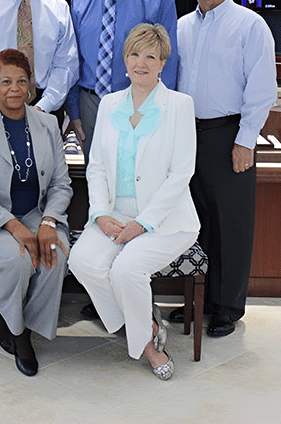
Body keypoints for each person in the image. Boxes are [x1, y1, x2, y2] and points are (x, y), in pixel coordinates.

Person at [69, 24, 199, 380]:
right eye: (134, 54)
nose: (141, 63)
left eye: (151, 56)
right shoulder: (110, 103)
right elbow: (95, 167)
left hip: (166, 220)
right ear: (125, 60)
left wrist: (143, 224)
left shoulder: (179, 105)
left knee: (127, 270)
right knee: (82, 261)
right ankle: (145, 328)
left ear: (162, 63)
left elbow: (181, 174)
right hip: (115, 214)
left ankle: (149, 348)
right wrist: (98, 213)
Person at [173, 0, 277, 337]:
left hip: (229, 135)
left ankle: (227, 307)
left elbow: (262, 90)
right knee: (193, 224)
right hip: (187, 136)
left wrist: (245, 141)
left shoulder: (250, 26)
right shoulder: (182, 26)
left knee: (230, 226)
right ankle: (197, 300)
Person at [0, 49, 73, 376]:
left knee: (56, 254)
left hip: (37, 212)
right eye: (6, 81)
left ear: (31, 86)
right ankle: (16, 332)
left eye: (22, 81)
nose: (14, 88)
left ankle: (24, 322)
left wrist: (48, 221)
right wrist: (14, 226)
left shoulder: (48, 124)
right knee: (18, 259)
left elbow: (62, 184)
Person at [67, 0, 179, 159]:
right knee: (95, 176)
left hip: (139, 101)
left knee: (138, 177)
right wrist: (74, 112)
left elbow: (169, 60)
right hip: (90, 105)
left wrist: (159, 109)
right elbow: (73, 58)